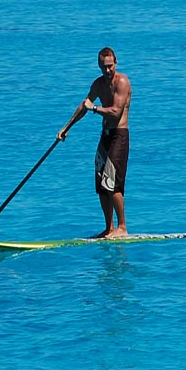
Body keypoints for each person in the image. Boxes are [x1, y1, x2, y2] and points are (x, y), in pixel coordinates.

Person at [57, 47, 132, 238]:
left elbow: (115, 111)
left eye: (110, 66)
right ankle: (109, 228)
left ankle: (122, 227)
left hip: (119, 135)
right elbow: (84, 105)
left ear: (116, 62)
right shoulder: (98, 84)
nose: (107, 71)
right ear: (99, 66)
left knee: (111, 182)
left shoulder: (122, 82)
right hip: (105, 135)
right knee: (100, 182)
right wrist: (66, 129)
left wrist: (95, 108)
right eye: (103, 67)